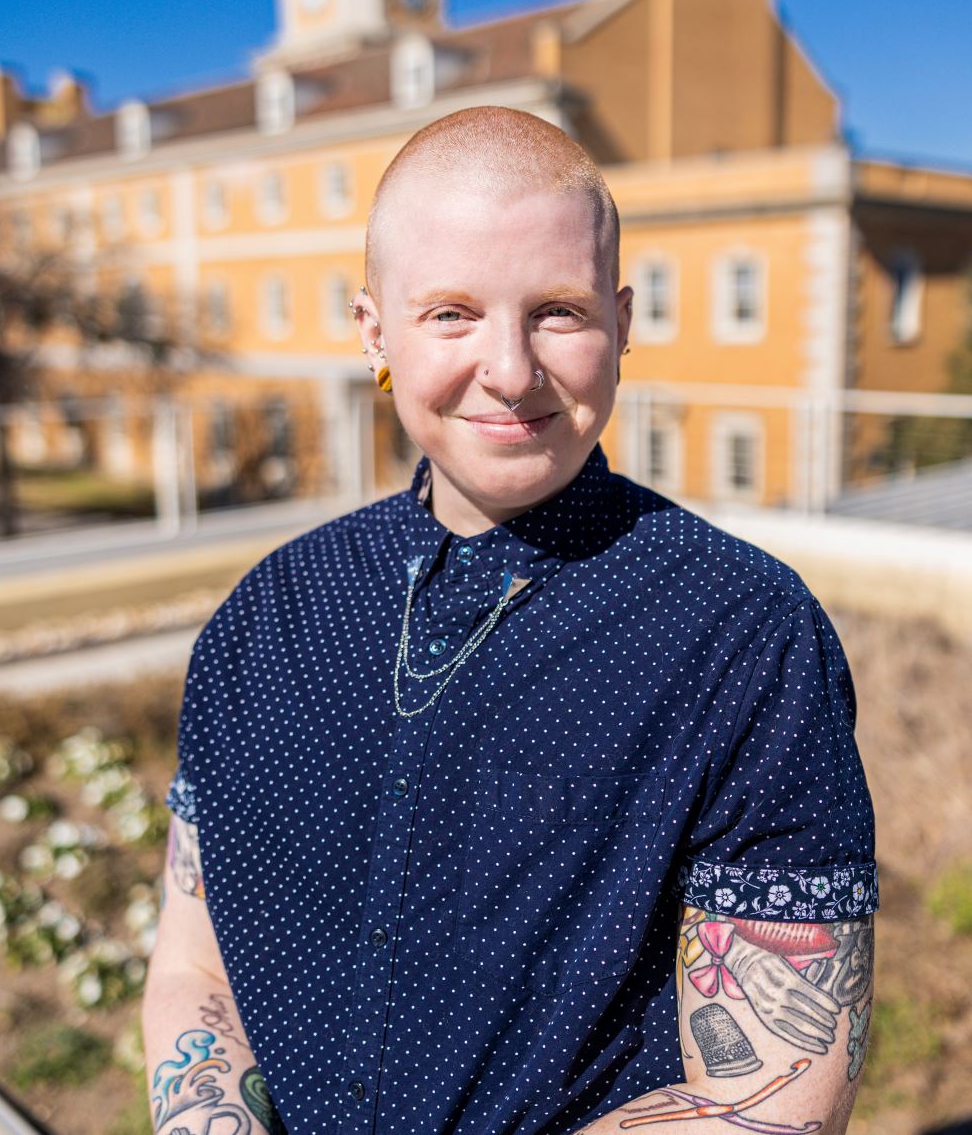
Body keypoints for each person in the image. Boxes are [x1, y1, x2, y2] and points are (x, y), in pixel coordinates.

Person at [142, 105, 878, 1135]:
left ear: (622, 321)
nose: (510, 369)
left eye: (557, 312)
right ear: (374, 333)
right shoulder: (268, 618)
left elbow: (777, 1092)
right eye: (451, 313)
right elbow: (196, 964)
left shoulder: (743, 635)